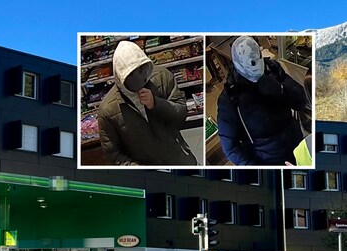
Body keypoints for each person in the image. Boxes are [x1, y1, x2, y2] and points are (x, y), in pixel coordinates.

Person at [97, 40, 197, 166]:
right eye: (131, 74)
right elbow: (113, 154)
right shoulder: (108, 110)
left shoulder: (162, 77)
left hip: (179, 159)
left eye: (140, 70)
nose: (138, 78)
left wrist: (156, 104)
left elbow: (181, 114)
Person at [217, 36, 307, 166]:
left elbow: (301, 101)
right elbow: (231, 148)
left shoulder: (273, 69)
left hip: (299, 148)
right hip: (269, 161)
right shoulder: (230, 98)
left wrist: (281, 89)